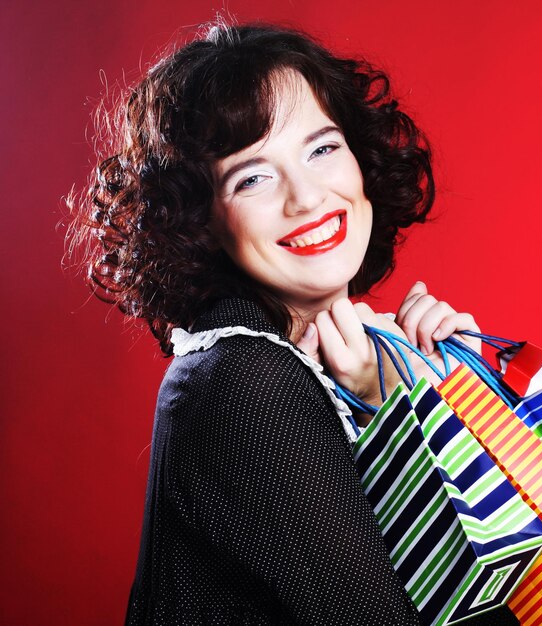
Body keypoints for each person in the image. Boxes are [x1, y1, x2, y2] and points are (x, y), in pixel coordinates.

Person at [70, 23, 519, 625]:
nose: (306, 198)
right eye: (252, 177)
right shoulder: (238, 381)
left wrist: (441, 398)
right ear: (203, 220)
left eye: (322, 149)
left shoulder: (353, 360)